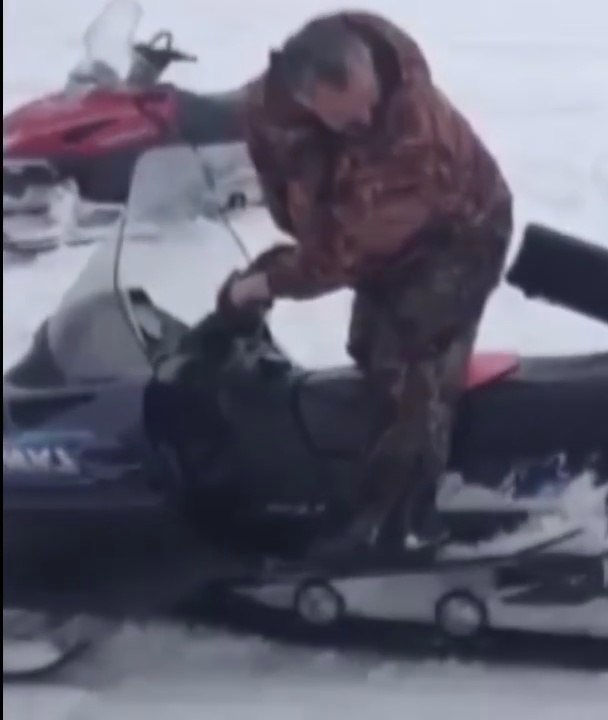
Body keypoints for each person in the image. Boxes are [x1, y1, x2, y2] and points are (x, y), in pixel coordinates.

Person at [218, 12, 538, 558]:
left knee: (410, 362)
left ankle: (397, 523)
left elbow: (344, 252)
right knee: (368, 345)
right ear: (306, 94)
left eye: (370, 104)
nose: (369, 116)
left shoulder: (411, 137)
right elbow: (267, 147)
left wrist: (266, 282)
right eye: (350, 114)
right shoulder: (272, 102)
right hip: (378, 236)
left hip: (459, 235)